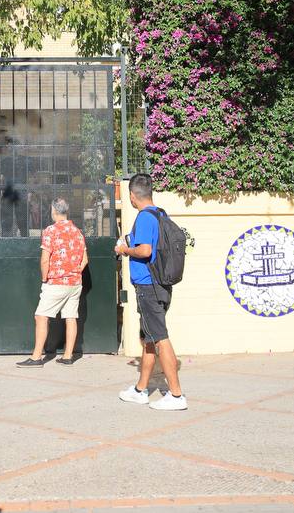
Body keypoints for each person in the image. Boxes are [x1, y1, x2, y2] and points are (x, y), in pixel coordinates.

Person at [114, 173, 187, 410]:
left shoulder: (144, 217)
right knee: (149, 338)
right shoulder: (160, 214)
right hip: (161, 284)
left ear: (133, 196)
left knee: (160, 338)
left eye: (131, 198)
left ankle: (176, 395)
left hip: (149, 285)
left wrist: (125, 249)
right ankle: (140, 389)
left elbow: (145, 251)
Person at [17, 198, 87, 367]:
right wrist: (75, 271)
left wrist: (44, 279)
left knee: (41, 316)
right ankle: (68, 356)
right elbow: (85, 260)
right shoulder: (77, 231)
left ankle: (36, 357)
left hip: (56, 282)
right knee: (70, 317)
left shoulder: (50, 231)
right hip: (75, 282)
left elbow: (44, 260)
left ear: (54, 212)